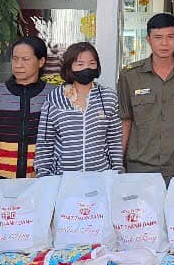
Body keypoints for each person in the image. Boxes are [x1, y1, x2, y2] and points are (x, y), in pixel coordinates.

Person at [117, 13, 174, 181]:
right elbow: (125, 120)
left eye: (170, 37)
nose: (164, 43)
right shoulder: (130, 75)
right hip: (139, 168)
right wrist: (118, 162)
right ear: (148, 39)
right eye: (158, 37)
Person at [35, 42, 123, 176]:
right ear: (69, 67)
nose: (86, 68)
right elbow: (45, 143)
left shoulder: (108, 98)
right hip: (63, 178)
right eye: (80, 64)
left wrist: (116, 173)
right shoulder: (54, 99)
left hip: (101, 177)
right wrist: (44, 176)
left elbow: (114, 140)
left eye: (92, 63)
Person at [0, 36, 51, 180]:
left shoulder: (53, 95)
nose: (18, 65)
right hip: (1, 178)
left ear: (41, 61)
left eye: (25, 59)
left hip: (41, 179)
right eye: (15, 59)